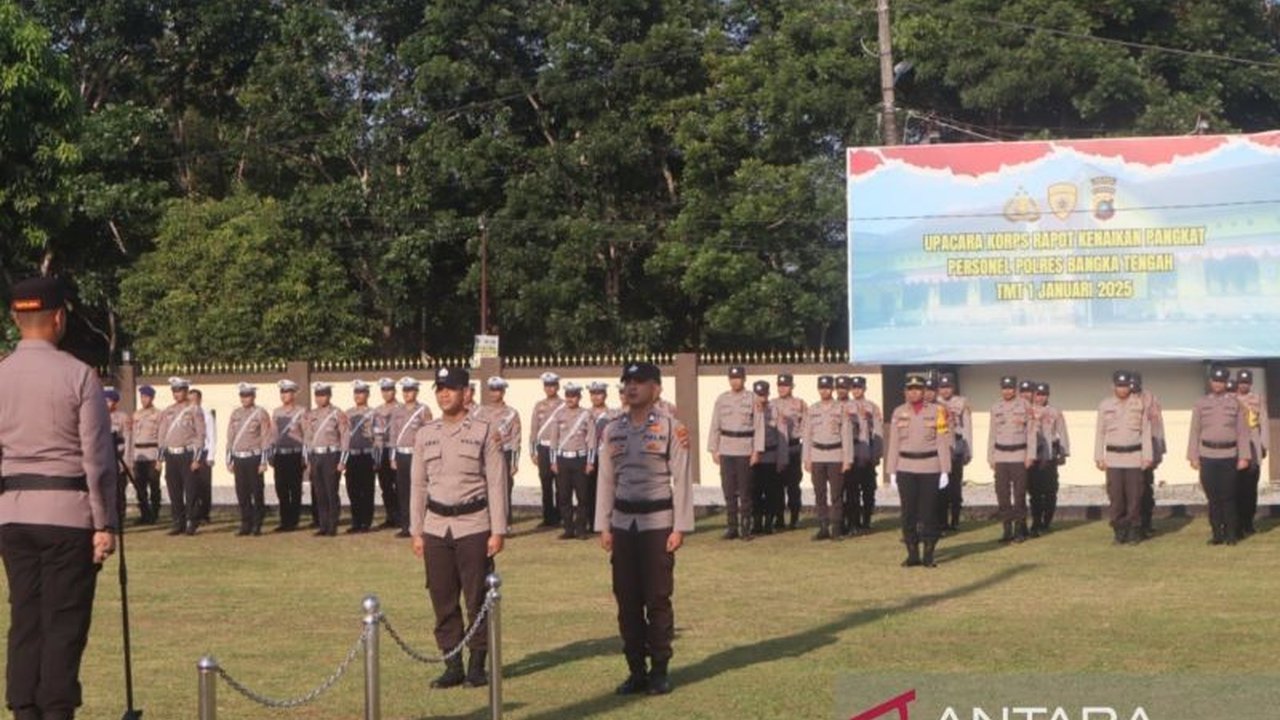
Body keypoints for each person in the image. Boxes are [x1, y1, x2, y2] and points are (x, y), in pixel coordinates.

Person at [0, 276, 119, 720]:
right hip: (67, 514)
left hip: (12, 513)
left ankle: (24, 710)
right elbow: (97, 458)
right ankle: (55, 711)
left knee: (25, 619)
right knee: (64, 622)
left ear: (16, 318)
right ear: (59, 318)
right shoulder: (78, 375)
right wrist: (104, 523)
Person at [596, 361, 693, 696]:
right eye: (627, 382)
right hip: (623, 523)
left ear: (656, 388)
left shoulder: (671, 428)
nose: (631, 387)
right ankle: (636, 670)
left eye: (639, 381)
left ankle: (660, 670)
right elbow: (606, 480)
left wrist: (679, 526)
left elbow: (681, 480)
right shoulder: (612, 429)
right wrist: (603, 526)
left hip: (657, 524)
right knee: (626, 599)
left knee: (657, 598)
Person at [409, 366, 507, 689]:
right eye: (439, 388)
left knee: (476, 597)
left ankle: (478, 664)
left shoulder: (484, 431)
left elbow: (496, 482)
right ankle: (453, 665)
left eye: (450, 388)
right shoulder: (425, 433)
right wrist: (416, 530)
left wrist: (498, 530)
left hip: (473, 524)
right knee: (441, 597)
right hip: (436, 527)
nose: (444, 393)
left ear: (466, 393)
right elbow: (418, 486)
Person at [885, 374, 951, 568]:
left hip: (930, 467)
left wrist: (945, 470)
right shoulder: (898, 412)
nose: (914, 392)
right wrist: (892, 471)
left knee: (928, 512)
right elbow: (894, 443)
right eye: (910, 389)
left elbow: (942, 441)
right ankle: (912, 554)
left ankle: (929, 554)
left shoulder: (937, 411)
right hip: (905, 467)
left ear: (924, 391)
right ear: (905, 391)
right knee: (908, 513)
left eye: (918, 389)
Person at [1188, 366, 1250, 545]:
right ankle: (1217, 534)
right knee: (1213, 497)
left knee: (1228, 496)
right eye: (1215, 381)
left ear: (1225, 383)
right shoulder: (1201, 403)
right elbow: (1194, 431)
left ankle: (1231, 534)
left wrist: (1244, 456)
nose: (1218, 384)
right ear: (1210, 382)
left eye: (1221, 381)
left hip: (1229, 455)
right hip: (1207, 455)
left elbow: (1242, 432)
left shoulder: (1235, 404)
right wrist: (1193, 456)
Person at [1095, 370, 1153, 545]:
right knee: (1116, 497)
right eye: (1119, 385)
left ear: (1130, 386)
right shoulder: (1105, 405)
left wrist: (1147, 456)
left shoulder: (1139, 404)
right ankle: (1119, 532)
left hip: (1134, 457)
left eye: (1125, 385)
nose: (1122, 389)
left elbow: (1146, 432)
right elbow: (1100, 432)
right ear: (1113, 386)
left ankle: (1134, 531)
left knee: (1135, 497)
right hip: (1113, 458)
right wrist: (1099, 456)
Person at [802, 375, 853, 540]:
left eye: (827, 388)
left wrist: (847, 459)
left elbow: (846, 435)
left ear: (832, 389)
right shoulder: (812, 409)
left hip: (835, 455)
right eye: (821, 388)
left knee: (836, 494)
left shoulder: (841, 409)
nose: (824, 391)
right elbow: (807, 435)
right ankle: (823, 527)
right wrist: (806, 458)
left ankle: (837, 528)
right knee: (819, 493)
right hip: (817, 455)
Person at [707, 366, 755, 540]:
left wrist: (757, 451)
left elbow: (759, 427)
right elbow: (715, 425)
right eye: (732, 378)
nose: (735, 381)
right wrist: (713, 449)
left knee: (745, 491)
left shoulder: (752, 399)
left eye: (738, 378)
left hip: (744, 449)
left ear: (744, 379)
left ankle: (746, 528)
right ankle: (732, 527)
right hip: (726, 449)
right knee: (728, 490)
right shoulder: (722, 399)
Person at [988, 375, 1036, 543]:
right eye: (1004, 388)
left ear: (1015, 389)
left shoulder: (1025, 406)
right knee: (1002, 494)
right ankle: (1007, 529)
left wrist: (1030, 455)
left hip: (1019, 455)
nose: (1007, 391)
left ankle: (1020, 529)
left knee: (1020, 494)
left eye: (1010, 388)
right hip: (1000, 456)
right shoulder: (995, 407)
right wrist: (990, 456)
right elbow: (992, 433)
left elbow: (1031, 432)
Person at [157, 376, 206, 535]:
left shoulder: (194, 409)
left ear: (186, 391)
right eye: (174, 390)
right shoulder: (167, 411)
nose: (177, 394)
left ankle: (192, 520)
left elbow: (200, 434)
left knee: (190, 490)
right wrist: (160, 458)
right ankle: (178, 521)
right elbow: (162, 435)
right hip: (171, 455)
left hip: (187, 454)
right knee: (174, 490)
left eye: (180, 390)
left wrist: (197, 458)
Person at [548, 382, 595, 539]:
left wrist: (590, 462)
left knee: (583, 496)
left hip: (580, 459)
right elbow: (553, 440)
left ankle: (581, 529)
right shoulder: (559, 415)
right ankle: (568, 529)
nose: (570, 399)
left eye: (573, 396)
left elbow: (591, 440)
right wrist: (553, 461)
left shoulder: (586, 415)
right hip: (563, 460)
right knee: (563, 496)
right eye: (568, 395)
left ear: (579, 397)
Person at [225, 383, 273, 535]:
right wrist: (229, 459)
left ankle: (257, 524)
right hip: (239, 458)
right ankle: (245, 523)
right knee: (242, 493)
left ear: (253, 396)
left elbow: (266, 438)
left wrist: (264, 461)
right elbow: (230, 437)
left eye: (248, 395)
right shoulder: (235, 414)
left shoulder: (260, 413)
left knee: (257, 492)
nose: (245, 399)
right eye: (242, 396)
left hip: (254, 458)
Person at [303, 382, 350, 537]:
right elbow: (308, 438)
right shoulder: (311, 415)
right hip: (316, 456)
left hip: (331, 455)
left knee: (331, 491)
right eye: (317, 395)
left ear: (329, 396)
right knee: (319, 493)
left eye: (323, 395)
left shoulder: (337, 413)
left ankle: (332, 525)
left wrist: (343, 460)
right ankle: (323, 525)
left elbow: (345, 437)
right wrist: (308, 461)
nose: (319, 398)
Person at [390, 377, 432, 538]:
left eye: (410, 390)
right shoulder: (397, 410)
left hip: (417, 455)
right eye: (405, 391)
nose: (407, 394)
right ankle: (405, 526)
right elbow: (393, 434)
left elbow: (428, 432)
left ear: (416, 392)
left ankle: (420, 525)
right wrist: (392, 457)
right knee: (403, 491)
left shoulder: (423, 410)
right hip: (401, 455)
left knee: (419, 490)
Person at [480, 376, 521, 529]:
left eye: (497, 390)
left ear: (503, 392)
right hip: (486, 454)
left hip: (505, 453)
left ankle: (506, 523)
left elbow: (516, 438)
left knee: (505, 488)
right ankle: (486, 522)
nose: (494, 393)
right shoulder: (481, 412)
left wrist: (514, 463)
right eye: (492, 390)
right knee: (485, 488)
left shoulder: (511, 413)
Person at [1029, 382, 1069, 536]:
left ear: (1048, 395)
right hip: (1034, 456)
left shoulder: (1054, 412)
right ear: (1034, 395)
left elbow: (1062, 433)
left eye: (1044, 394)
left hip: (1050, 456)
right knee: (1034, 492)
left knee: (1050, 491)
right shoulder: (1028, 411)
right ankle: (1036, 521)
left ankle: (1047, 522)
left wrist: (1064, 453)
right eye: (1038, 394)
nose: (1040, 398)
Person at [749, 380, 788, 534]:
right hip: (754, 458)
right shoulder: (749, 410)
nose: (762, 398)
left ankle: (768, 523)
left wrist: (782, 459)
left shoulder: (775, 410)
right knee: (754, 492)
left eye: (764, 395)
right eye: (759, 395)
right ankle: (756, 522)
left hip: (771, 457)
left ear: (768, 394)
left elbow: (783, 437)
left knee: (771, 492)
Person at [1234, 369, 1269, 536]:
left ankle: (1248, 522)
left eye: (1246, 382)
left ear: (1251, 384)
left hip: (1253, 444)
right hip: (1236, 447)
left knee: (1250, 487)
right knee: (1236, 486)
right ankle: (1237, 521)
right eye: (1241, 382)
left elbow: (1263, 421)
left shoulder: (1257, 399)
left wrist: (1264, 445)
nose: (1243, 385)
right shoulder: (1231, 398)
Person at [935, 373, 971, 532]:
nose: (945, 390)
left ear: (953, 388)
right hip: (940, 446)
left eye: (948, 387)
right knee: (941, 487)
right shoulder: (934, 403)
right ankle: (941, 520)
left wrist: (968, 451)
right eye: (942, 387)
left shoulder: (961, 403)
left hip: (956, 445)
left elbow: (967, 428)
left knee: (955, 487)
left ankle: (954, 520)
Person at [1131, 372, 1165, 538]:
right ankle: (1130, 524)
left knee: (1145, 489)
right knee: (1129, 491)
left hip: (1147, 450)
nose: (1133, 386)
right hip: (1128, 451)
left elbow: (1157, 425)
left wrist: (1158, 452)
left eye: (1136, 383)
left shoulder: (1150, 399)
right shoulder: (1120, 400)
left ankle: (1146, 523)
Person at [271, 379, 307, 532]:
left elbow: (307, 435)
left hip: (295, 454)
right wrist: (271, 453)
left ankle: (294, 520)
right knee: (281, 488)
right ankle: (284, 520)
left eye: (287, 392)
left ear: (294, 393)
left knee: (295, 488)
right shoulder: (276, 412)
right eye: (282, 392)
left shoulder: (302, 411)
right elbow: (273, 435)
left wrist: (305, 456)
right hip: (280, 455)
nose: (284, 395)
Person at [530, 372, 565, 528]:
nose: (549, 388)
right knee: (545, 482)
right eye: (547, 385)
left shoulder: (564, 405)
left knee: (561, 483)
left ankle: (562, 515)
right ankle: (548, 517)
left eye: (552, 385)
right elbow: (534, 429)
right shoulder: (539, 405)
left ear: (557, 386)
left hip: (558, 448)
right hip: (543, 447)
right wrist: (533, 451)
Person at [849, 376, 883, 534]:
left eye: (859, 387)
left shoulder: (873, 407)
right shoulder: (845, 407)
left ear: (864, 388)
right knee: (852, 490)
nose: (856, 390)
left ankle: (867, 520)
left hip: (868, 452)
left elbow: (878, 432)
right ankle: (854, 522)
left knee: (869, 490)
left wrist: (877, 454)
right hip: (852, 452)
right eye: (854, 387)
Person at [773, 374, 806, 531]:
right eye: (780, 385)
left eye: (785, 385)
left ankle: (794, 518)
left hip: (793, 448)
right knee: (777, 487)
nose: (782, 388)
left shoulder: (800, 404)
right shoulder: (771, 404)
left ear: (792, 386)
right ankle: (778, 518)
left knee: (793, 486)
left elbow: (807, 427)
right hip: (776, 450)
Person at [345, 380, 379, 533]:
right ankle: (356, 522)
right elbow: (344, 437)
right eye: (356, 393)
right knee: (352, 490)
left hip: (367, 455)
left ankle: (366, 522)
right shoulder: (347, 413)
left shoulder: (373, 413)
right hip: (351, 456)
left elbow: (378, 438)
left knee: (367, 490)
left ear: (367, 394)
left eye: (361, 392)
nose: (358, 395)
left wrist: (376, 459)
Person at [129, 385, 163, 524]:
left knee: (154, 484)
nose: (144, 399)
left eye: (147, 397)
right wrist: (130, 457)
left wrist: (160, 459)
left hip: (152, 453)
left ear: (152, 398)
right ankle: (144, 514)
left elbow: (161, 436)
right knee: (140, 486)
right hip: (138, 454)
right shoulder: (136, 414)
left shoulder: (158, 414)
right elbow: (132, 437)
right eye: (142, 397)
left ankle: (154, 513)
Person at [373, 377, 401, 529]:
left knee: (400, 486)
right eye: (383, 390)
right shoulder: (377, 410)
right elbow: (375, 433)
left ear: (394, 391)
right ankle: (391, 516)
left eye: (389, 389)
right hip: (381, 451)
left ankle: (402, 517)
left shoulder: (401, 408)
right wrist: (375, 456)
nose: (386, 393)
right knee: (385, 486)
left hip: (395, 450)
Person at [189, 388, 216, 523]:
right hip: (190, 452)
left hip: (204, 452)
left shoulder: (206, 414)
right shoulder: (186, 413)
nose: (192, 402)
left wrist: (211, 455)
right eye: (190, 399)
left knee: (204, 485)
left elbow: (211, 435)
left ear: (200, 400)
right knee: (192, 485)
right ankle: (193, 513)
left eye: (195, 399)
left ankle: (205, 514)